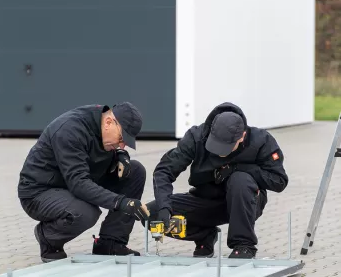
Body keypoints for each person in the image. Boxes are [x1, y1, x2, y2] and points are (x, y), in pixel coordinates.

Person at [145, 102, 288, 259]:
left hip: (245, 201)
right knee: (150, 213)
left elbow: (279, 181)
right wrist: (164, 208)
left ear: (242, 136)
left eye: (225, 147)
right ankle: (205, 235)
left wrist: (239, 168)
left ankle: (243, 246)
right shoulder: (196, 137)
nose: (220, 152)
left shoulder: (261, 141)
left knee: (240, 179)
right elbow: (164, 170)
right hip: (205, 200)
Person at [18, 102, 150, 263]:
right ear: (109, 122)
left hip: (76, 179)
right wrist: (121, 202)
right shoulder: (69, 130)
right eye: (121, 138)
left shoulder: (103, 122)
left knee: (135, 171)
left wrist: (121, 155)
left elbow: (87, 168)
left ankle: (110, 243)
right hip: (40, 192)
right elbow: (79, 184)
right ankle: (48, 237)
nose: (122, 144)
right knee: (86, 212)